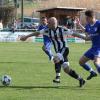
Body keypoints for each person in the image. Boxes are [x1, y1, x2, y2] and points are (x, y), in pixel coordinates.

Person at [20, 17, 85, 87]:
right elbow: (37, 33)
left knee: (55, 58)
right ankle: (81, 79)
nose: (47, 24)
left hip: (64, 49)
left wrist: (84, 38)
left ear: (53, 24)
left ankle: (57, 78)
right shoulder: (47, 30)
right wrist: (26, 37)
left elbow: (74, 34)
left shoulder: (62, 29)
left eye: (49, 23)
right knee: (66, 70)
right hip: (59, 52)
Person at [75, 10, 100, 80]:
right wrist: (79, 24)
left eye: (87, 18)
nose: (86, 20)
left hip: (99, 48)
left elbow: (88, 38)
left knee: (96, 63)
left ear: (92, 17)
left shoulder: (99, 24)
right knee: (81, 62)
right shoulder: (88, 25)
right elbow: (86, 34)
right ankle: (92, 72)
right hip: (93, 48)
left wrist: (80, 36)